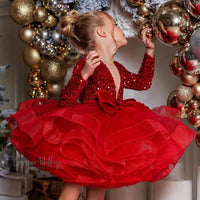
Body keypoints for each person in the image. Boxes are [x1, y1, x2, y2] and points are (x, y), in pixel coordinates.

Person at [7, 10, 196, 200]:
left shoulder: (118, 68)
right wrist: (84, 74)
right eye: (115, 25)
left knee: (98, 189)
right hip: (84, 134)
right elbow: (66, 101)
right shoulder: (89, 63)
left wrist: (150, 51)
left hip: (108, 135)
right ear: (102, 33)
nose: (120, 28)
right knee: (72, 187)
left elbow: (142, 82)